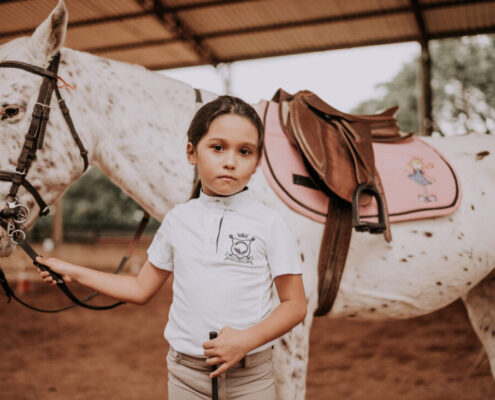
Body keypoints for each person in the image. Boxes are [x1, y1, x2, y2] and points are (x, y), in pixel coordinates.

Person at [37, 95, 306, 400]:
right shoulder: (177, 220)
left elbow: (295, 305)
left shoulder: (270, 223)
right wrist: (71, 271)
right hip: (185, 377)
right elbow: (140, 289)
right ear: (192, 152)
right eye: (217, 147)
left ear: (257, 162)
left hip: (251, 378)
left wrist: (247, 340)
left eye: (244, 151)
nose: (230, 161)